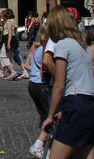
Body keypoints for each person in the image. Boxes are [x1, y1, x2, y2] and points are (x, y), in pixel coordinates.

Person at [40, 8, 94, 159]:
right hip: (89, 105)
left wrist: (50, 115)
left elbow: (59, 84)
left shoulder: (63, 45)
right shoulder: (82, 46)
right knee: (83, 152)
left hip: (75, 104)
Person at [25, 24, 52, 158]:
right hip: (42, 86)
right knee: (50, 116)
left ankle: (41, 140)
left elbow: (26, 65)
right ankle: (41, 145)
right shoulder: (46, 49)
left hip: (32, 85)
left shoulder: (34, 47)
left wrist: (35, 72)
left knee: (42, 115)